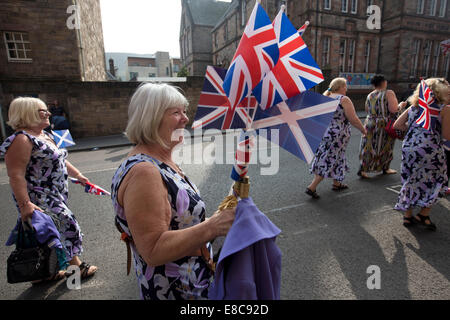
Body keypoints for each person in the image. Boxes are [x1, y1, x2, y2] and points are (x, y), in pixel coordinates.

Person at [111, 83, 235, 300]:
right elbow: (153, 249)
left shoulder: (160, 160)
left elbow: (179, 219)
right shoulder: (144, 172)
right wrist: (213, 226)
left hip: (191, 282)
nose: (185, 118)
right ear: (151, 118)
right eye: (176, 112)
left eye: (184, 111)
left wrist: (224, 210)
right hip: (175, 291)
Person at [0, 97, 98, 281]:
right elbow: (16, 175)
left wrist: (78, 175)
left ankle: (42, 274)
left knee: (46, 233)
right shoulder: (22, 139)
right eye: (42, 111)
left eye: (47, 111)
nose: (49, 114)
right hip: (39, 196)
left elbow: (61, 159)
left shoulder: (46, 135)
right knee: (67, 226)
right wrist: (25, 205)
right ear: (26, 113)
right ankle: (75, 272)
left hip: (55, 193)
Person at [393, 78, 449, 231]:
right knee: (439, 180)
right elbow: (446, 135)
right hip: (430, 150)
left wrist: (415, 132)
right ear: (440, 93)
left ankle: (408, 215)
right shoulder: (444, 109)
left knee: (410, 179)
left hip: (409, 148)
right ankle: (423, 215)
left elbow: (397, 125)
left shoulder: (413, 107)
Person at [306, 78, 367, 199]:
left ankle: (337, 183)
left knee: (336, 156)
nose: (346, 89)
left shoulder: (325, 98)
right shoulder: (343, 99)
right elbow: (353, 118)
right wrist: (363, 130)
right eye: (345, 86)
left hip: (326, 132)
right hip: (338, 134)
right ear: (340, 87)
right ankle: (312, 187)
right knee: (329, 158)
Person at [358, 75, 407, 179]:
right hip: (384, 123)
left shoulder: (370, 95)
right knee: (385, 146)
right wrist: (401, 106)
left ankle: (363, 169)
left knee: (368, 146)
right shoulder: (389, 93)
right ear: (384, 82)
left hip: (370, 122)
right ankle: (385, 168)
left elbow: (367, 109)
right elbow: (393, 110)